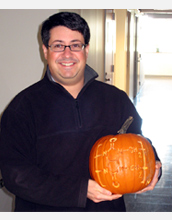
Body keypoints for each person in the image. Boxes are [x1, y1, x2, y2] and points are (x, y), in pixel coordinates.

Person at [0, 12, 161, 212]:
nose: (67, 54)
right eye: (58, 45)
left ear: (86, 49)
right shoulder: (22, 108)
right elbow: (14, 175)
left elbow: (137, 140)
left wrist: (153, 162)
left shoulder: (115, 98)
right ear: (45, 50)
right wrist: (80, 190)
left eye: (75, 45)